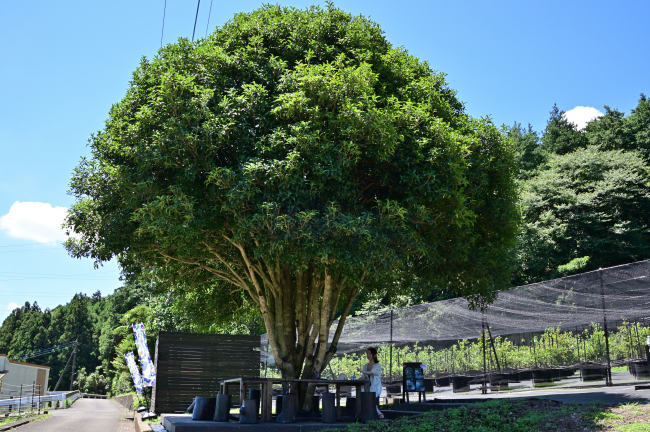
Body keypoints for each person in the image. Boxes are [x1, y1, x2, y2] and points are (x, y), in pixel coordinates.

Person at [360, 347, 384, 420]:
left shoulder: (377, 365)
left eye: (370, 354)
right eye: (367, 354)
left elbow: (371, 372)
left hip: (375, 387)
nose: (368, 355)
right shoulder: (365, 366)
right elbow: (363, 377)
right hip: (367, 387)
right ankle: (378, 413)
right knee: (361, 392)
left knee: (369, 396)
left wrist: (361, 371)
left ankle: (378, 414)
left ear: (374, 355)